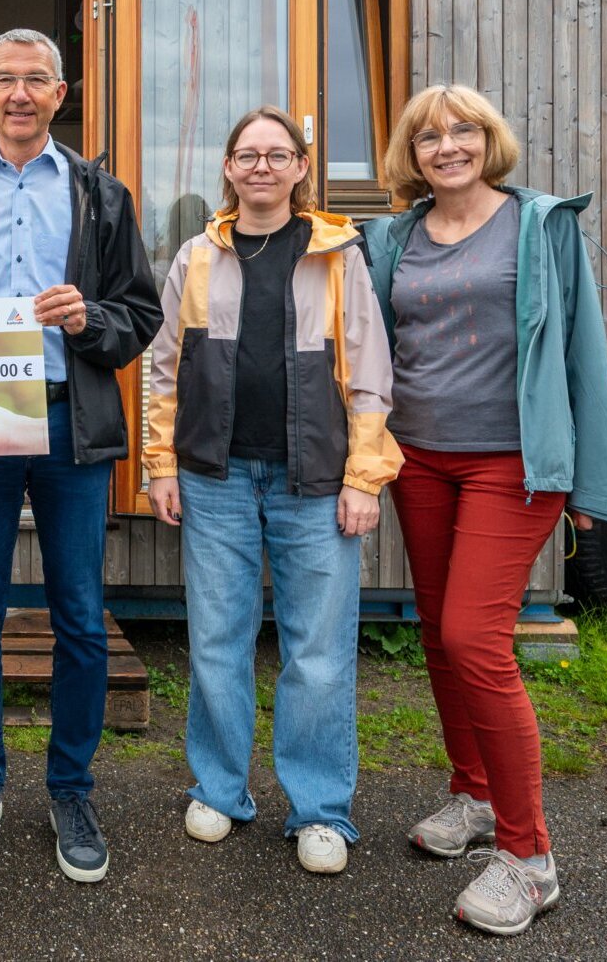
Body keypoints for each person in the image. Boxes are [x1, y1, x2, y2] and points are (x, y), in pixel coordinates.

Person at [0, 29, 160, 883]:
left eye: (36, 80)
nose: (20, 93)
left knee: (79, 617)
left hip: (68, 423)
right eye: (5, 79)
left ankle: (71, 788)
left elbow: (141, 316)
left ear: (60, 94)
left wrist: (90, 320)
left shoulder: (101, 195)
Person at [363, 85, 607, 937]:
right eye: (428, 136)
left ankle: (531, 857)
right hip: (421, 460)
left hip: (514, 463)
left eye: (462, 130)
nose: (447, 146)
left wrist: (592, 484)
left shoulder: (541, 225)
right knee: (439, 630)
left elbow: (584, 352)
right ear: (411, 153)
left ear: (488, 139)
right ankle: (471, 794)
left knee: (476, 639)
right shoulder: (393, 236)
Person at [143, 106, 403, 877]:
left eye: (276, 154)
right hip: (214, 478)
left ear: (299, 168)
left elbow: (370, 375)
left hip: (315, 482)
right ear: (228, 169)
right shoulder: (195, 255)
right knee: (218, 642)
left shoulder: (337, 254)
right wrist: (161, 465)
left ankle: (320, 810)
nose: (261, 166)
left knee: (317, 652)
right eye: (247, 154)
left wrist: (364, 480)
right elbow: (163, 370)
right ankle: (220, 791)